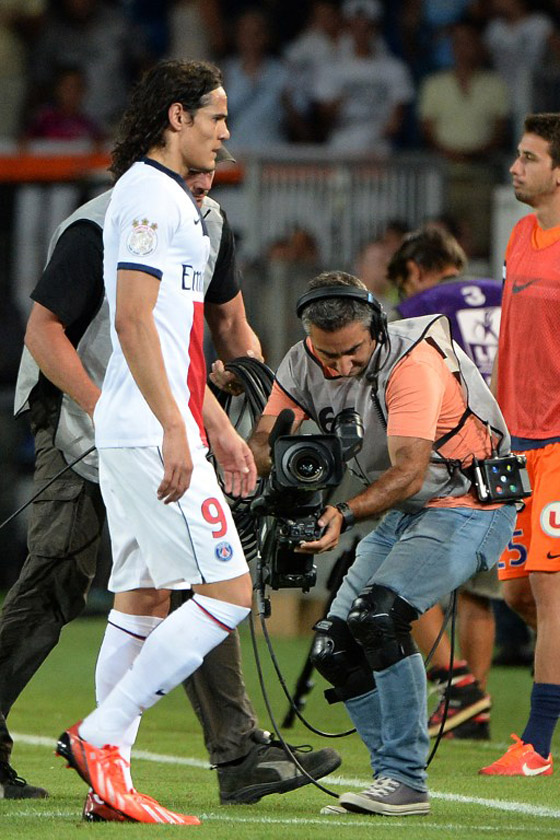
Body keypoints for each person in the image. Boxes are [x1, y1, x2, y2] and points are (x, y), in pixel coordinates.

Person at [3, 158, 340, 807]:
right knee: (60, 577)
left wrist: (249, 399)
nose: (207, 174)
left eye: (215, 164)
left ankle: (232, 752)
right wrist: (109, 410)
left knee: (185, 580)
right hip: (79, 413)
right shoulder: (97, 225)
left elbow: (227, 331)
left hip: (162, 421)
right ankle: (106, 742)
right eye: (197, 159)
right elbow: (45, 333)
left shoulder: (209, 223)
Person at [43, 58, 307, 825]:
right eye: (216, 116)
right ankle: (99, 736)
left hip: (150, 425)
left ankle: (109, 784)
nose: (225, 132)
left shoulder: (170, 200)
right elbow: (131, 320)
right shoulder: (152, 198)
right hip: (150, 429)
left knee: (143, 598)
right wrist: (173, 427)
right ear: (177, 117)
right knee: (228, 595)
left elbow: (178, 338)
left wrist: (214, 427)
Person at [249, 271, 516, 816]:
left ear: (375, 327)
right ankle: (390, 777)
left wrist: (343, 512)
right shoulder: (301, 360)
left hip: (469, 503)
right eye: (328, 355)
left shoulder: (411, 363)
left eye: (352, 352)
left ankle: (406, 778)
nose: (341, 366)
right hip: (407, 511)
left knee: (379, 615)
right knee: (334, 644)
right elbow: (264, 439)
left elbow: (410, 472)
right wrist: (255, 472)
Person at [387, 225, 503, 740]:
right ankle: (471, 712)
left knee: (396, 564)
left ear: (413, 270)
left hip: (449, 456)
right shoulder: (504, 294)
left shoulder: (422, 307)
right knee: (480, 592)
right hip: (511, 455)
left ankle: (458, 687)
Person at [479, 112, 560, 777]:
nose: (515, 167)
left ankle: (537, 744)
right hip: (516, 442)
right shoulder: (518, 236)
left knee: (549, 586)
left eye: (529, 158)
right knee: (517, 597)